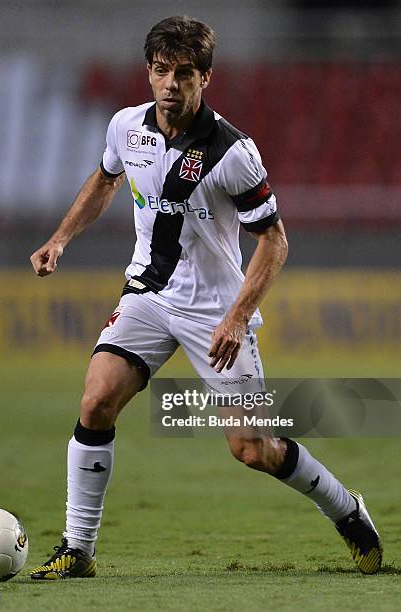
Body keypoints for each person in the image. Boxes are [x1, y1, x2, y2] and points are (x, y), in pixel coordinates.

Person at [29, 15, 382, 579]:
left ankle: (345, 507)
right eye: (162, 71)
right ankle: (78, 548)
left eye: (185, 73)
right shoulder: (125, 127)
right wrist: (60, 239)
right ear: (148, 73)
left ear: (205, 79)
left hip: (216, 310)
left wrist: (238, 316)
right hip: (148, 292)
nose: (171, 83)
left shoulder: (233, 153)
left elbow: (273, 239)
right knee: (95, 401)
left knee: (252, 448)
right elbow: (105, 179)